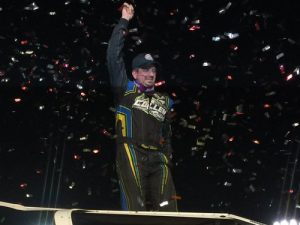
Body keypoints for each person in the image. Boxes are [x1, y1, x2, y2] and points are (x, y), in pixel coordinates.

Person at [106, 2, 177, 211]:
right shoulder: (124, 89)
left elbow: (168, 133)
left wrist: (168, 155)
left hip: (158, 157)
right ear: (135, 73)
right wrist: (124, 20)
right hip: (131, 151)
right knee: (135, 203)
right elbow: (113, 56)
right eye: (144, 70)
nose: (150, 73)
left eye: (153, 69)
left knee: (167, 205)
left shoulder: (164, 100)